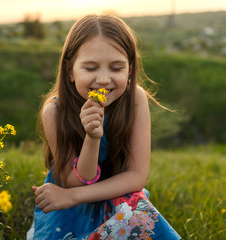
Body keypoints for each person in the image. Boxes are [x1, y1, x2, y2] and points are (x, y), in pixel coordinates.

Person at [27, 13, 181, 240]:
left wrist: (74, 196)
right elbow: (74, 181)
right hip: (70, 205)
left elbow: (136, 176)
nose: (103, 79)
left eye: (116, 68)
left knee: (138, 215)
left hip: (115, 195)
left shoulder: (135, 99)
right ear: (70, 70)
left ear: (130, 69)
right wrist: (92, 137)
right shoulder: (55, 111)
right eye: (90, 68)